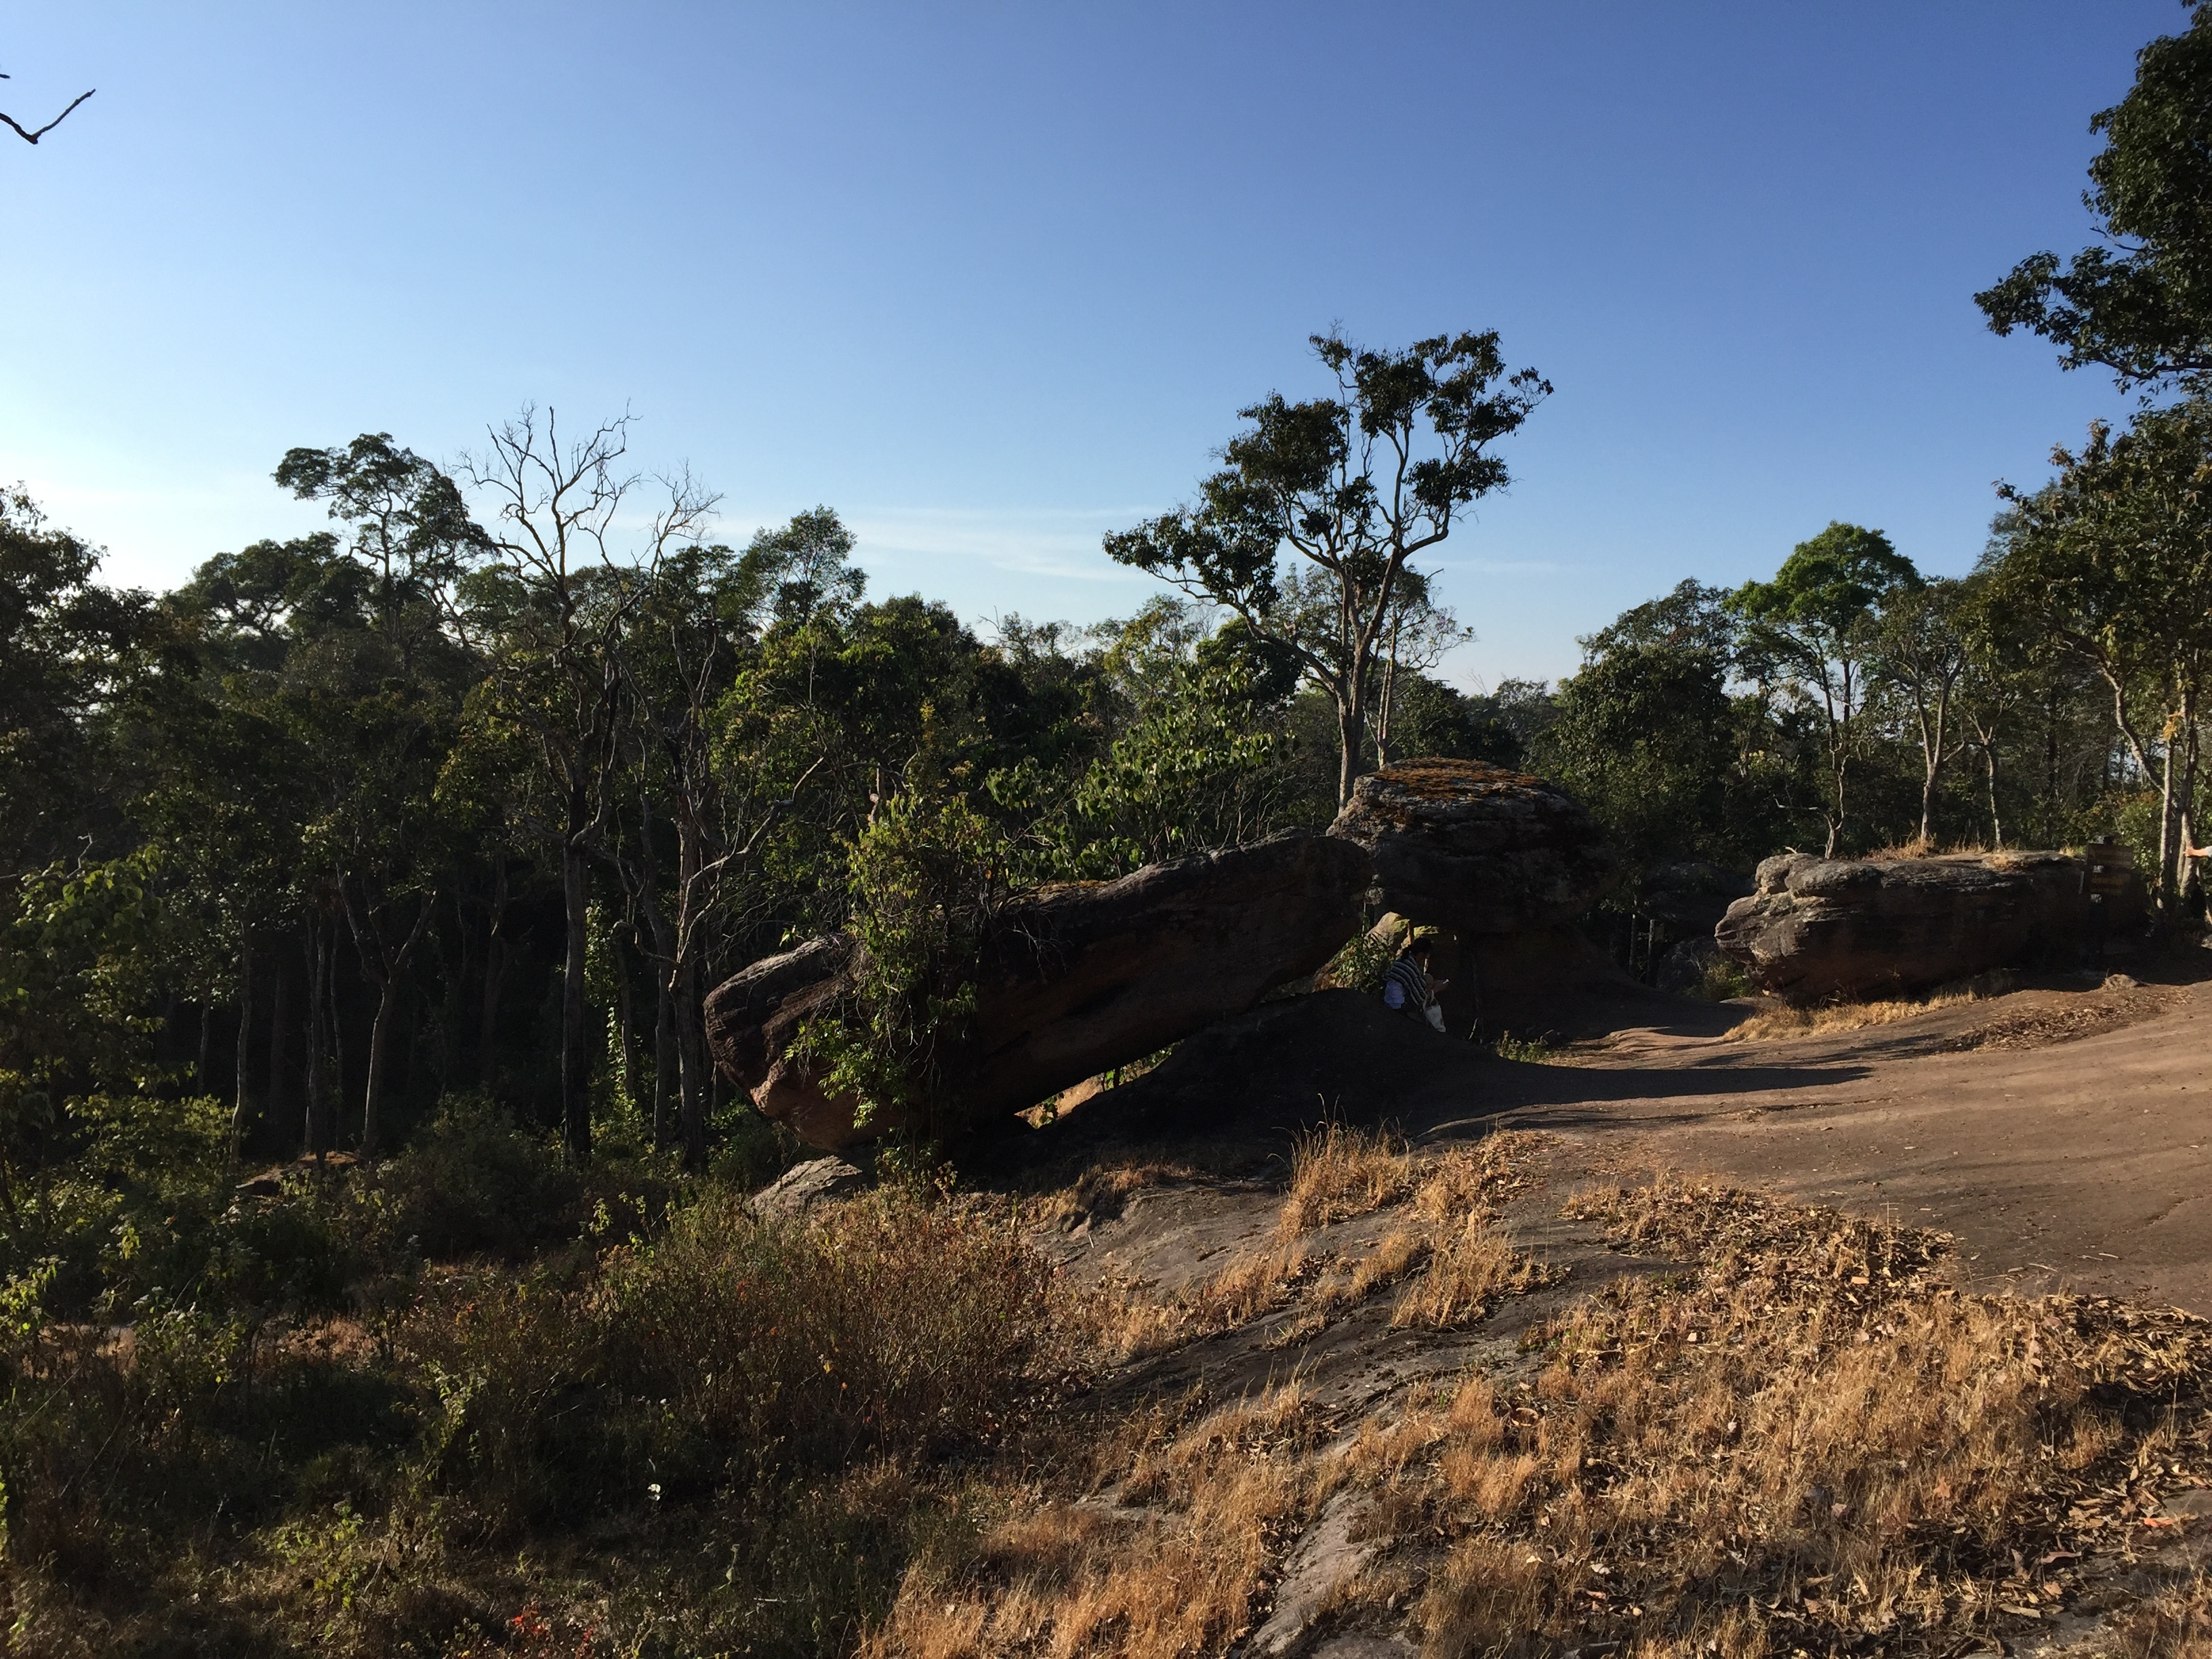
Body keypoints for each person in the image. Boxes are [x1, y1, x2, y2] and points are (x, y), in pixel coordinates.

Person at [1382, 930, 1449, 1032]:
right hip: (1398, 1006)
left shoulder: (1403, 961)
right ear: (1422, 954)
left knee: (1427, 977)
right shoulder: (1410, 968)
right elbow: (1420, 997)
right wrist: (1436, 989)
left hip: (1390, 1001)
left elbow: (1417, 985)